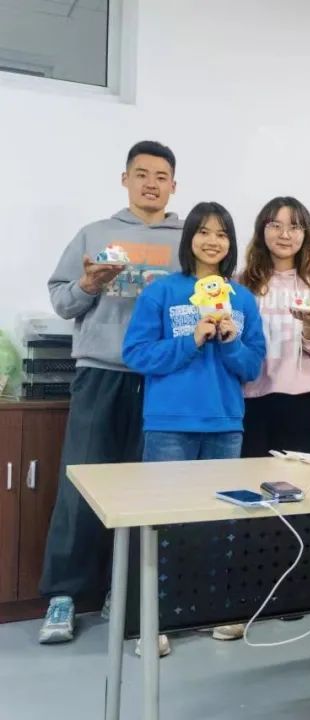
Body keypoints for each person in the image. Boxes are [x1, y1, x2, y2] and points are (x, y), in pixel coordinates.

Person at [38, 141, 182, 652]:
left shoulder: (188, 240)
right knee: (81, 484)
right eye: (141, 174)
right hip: (101, 373)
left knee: (149, 493)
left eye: (160, 176)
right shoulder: (95, 234)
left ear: (173, 185)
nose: (151, 183)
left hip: (164, 378)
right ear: (125, 179)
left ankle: (127, 595)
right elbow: (62, 301)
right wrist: (88, 284)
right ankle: (64, 595)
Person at [123, 201, 266, 644]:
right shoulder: (162, 292)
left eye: (222, 234)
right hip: (169, 425)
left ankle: (211, 609)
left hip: (225, 425)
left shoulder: (242, 299)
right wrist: (191, 339)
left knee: (219, 524)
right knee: (164, 525)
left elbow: (253, 366)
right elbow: (136, 354)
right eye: (203, 232)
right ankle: (155, 622)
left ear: (231, 244)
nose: (212, 241)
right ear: (189, 239)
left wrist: (229, 342)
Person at [238, 197, 310, 458]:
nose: (285, 235)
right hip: (249, 395)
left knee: (295, 477)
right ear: (262, 230)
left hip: (298, 396)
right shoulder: (242, 282)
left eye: (294, 227)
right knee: (250, 474)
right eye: (275, 225)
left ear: (306, 234)